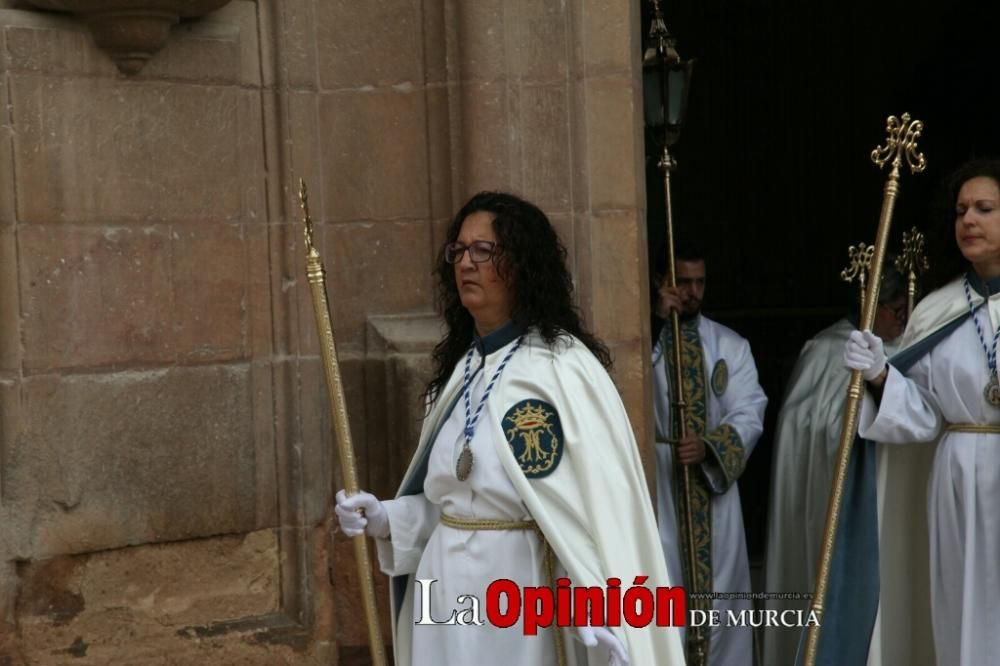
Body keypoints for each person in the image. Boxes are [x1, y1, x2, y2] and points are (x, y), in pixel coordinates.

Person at [334, 192, 685, 666]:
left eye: (484, 251)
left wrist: (599, 605)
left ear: (521, 264)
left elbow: (592, 515)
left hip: (522, 599)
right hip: (444, 596)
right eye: (458, 251)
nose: (466, 263)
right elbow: (452, 509)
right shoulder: (460, 374)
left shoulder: (563, 369)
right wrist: (385, 518)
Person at [843, 158, 1000, 666]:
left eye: (984, 209)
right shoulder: (940, 309)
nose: (968, 221)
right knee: (959, 605)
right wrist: (879, 374)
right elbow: (925, 413)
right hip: (956, 475)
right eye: (960, 211)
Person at [762, 261, 909, 666]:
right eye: (896, 309)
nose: (904, 318)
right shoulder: (825, 350)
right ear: (871, 307)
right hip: (830, 499)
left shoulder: (899, 350)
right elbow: (809, 429)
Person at [650, 240, 768, 666]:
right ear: (662, 282)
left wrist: (712, 445)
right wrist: (658, 327)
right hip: (659, 483)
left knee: (721, 603)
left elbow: (750, 409)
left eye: (700, 282)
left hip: (711, 487)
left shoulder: (729, 345)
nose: (692, 292)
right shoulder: (645, 344)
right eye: (683, 281)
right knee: (663, 591)